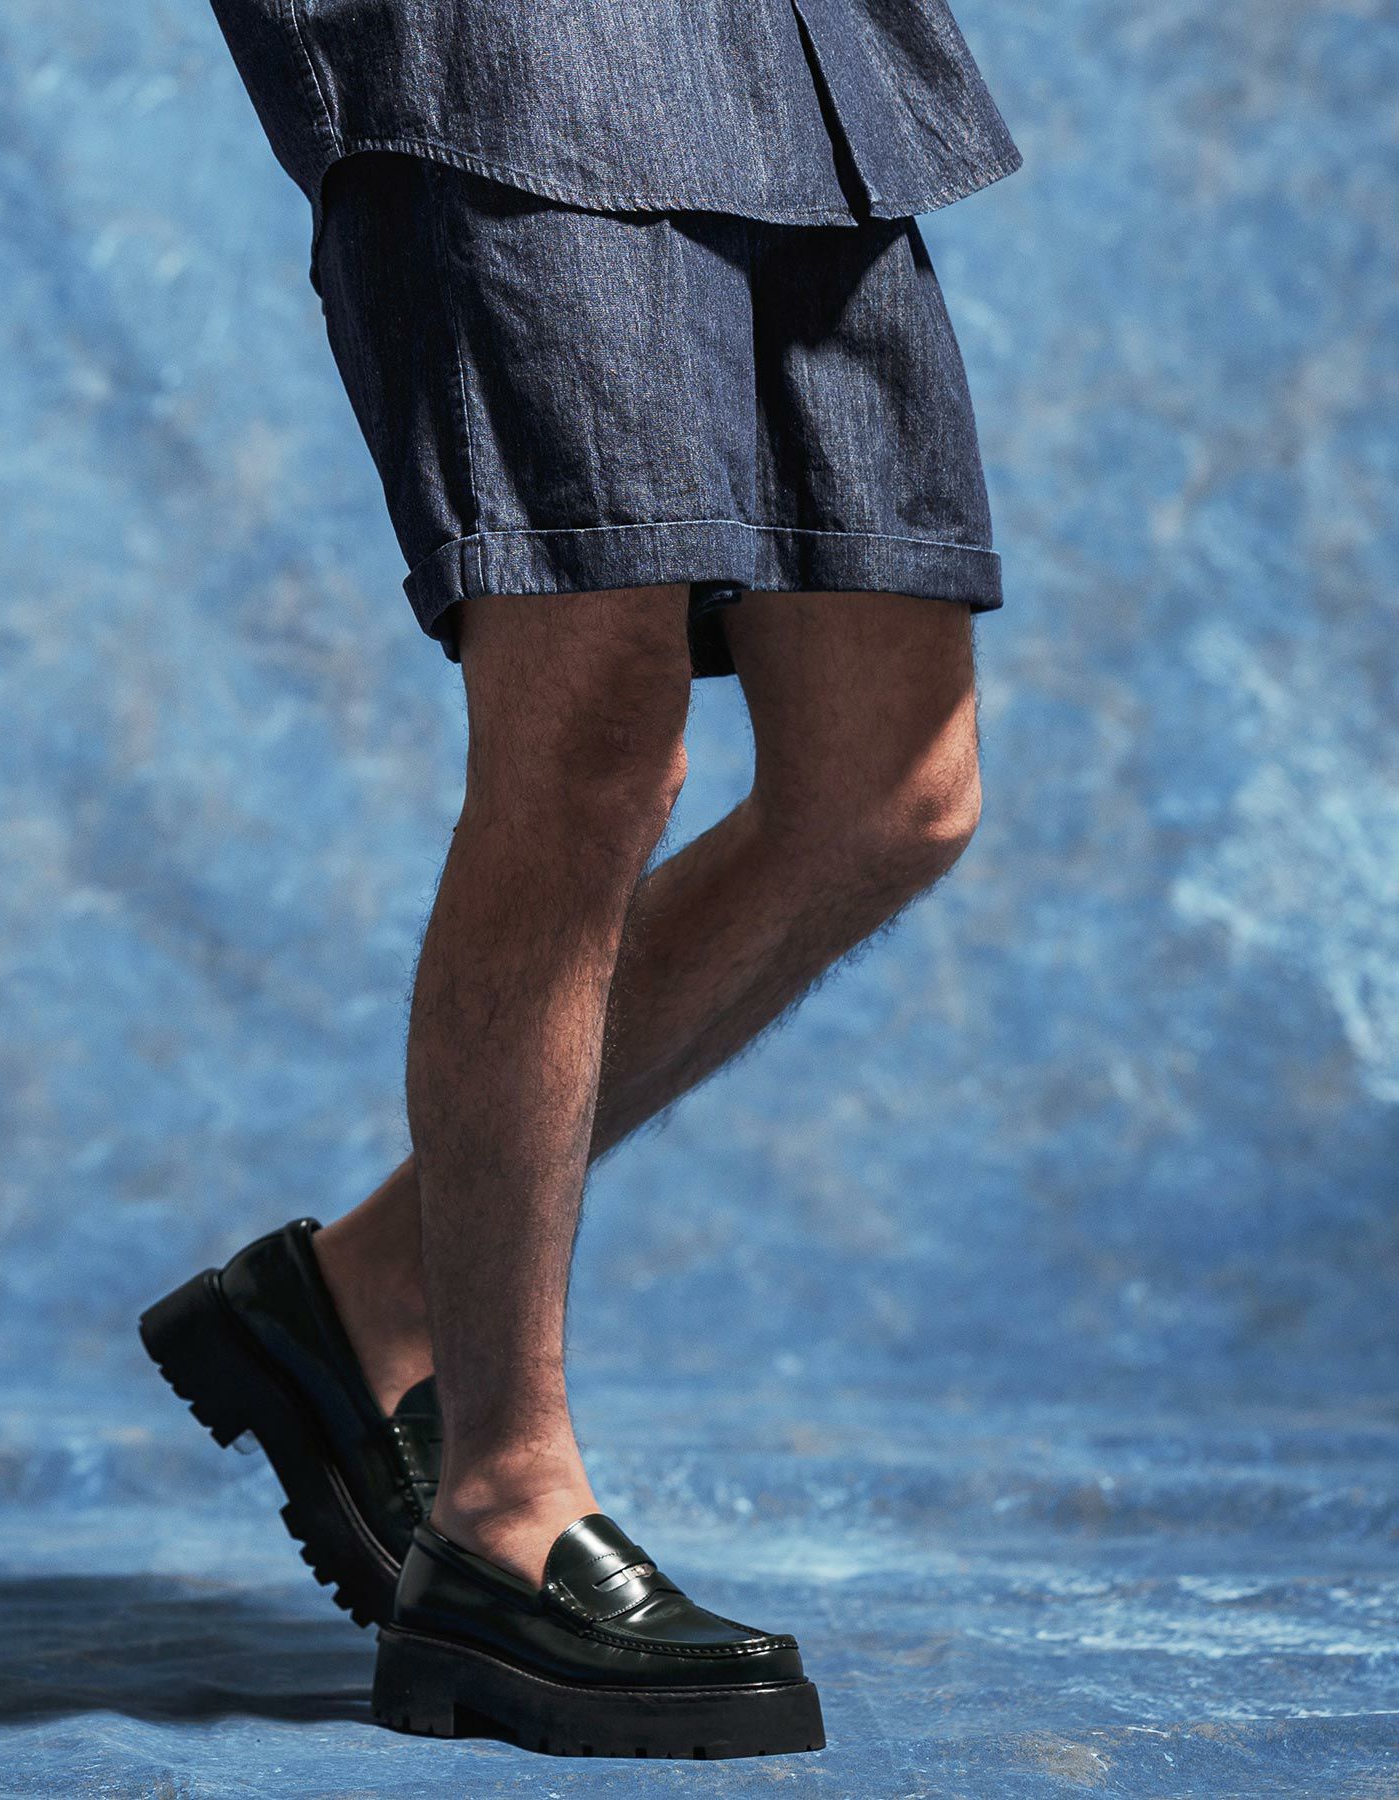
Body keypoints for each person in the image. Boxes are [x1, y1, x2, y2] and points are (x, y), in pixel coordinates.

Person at [141, 0, 1020, 1761]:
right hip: (515, 54)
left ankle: (366, 1291)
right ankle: (501, 1507)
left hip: (810, 53)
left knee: (891, 790)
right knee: (592, 733)